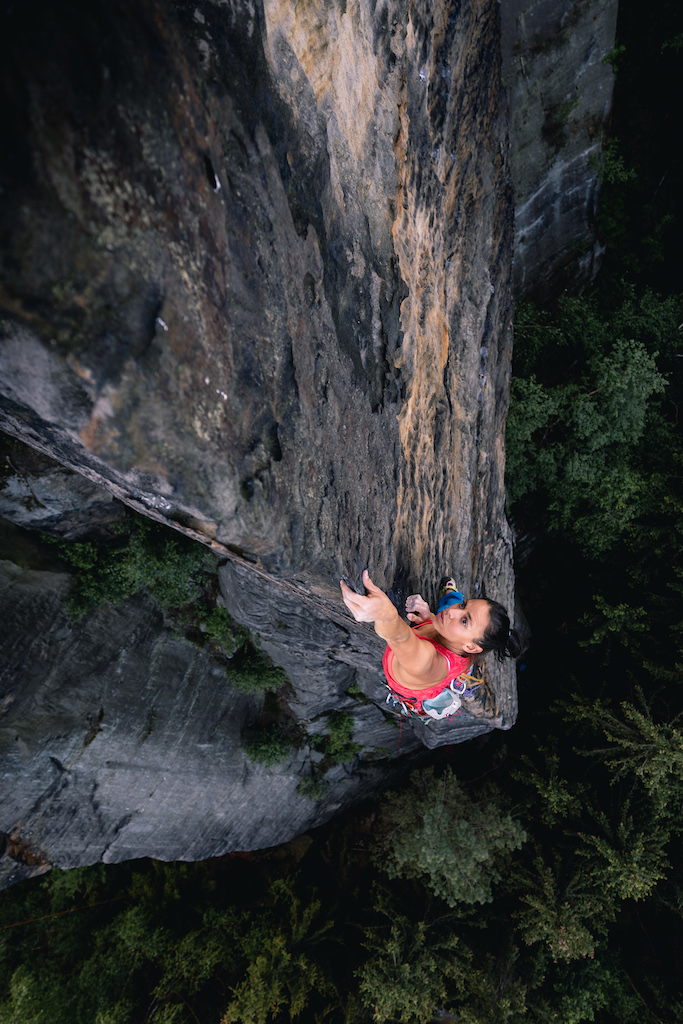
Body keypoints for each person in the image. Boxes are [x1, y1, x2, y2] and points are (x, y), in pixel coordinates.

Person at [340, 570, 523, 720]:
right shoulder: (457, 637)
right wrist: (429, 617)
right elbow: (453, 612)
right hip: (454, 648)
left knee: (447, 608)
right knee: (450, 602)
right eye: (463, 605)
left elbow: (400, 637)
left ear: (471, 647)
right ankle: (452, 593)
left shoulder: (430, 664)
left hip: (421, 682)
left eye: (465, 621)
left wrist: (384, 615)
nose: (452, 612)